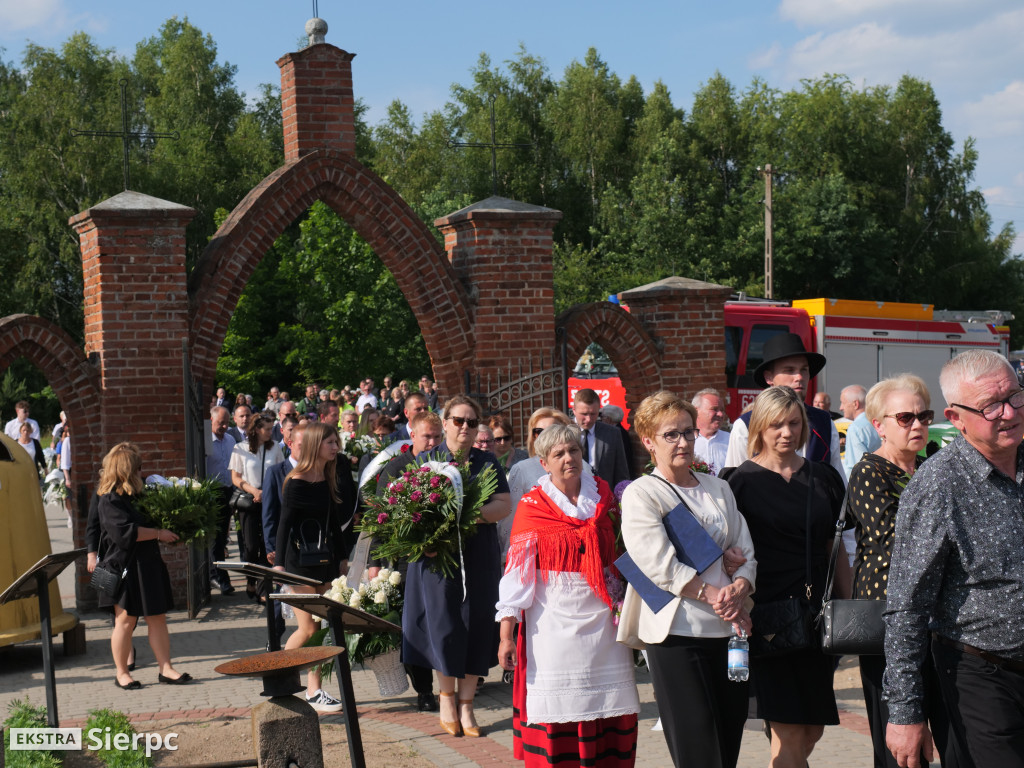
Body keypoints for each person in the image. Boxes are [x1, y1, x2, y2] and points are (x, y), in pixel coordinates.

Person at [885, 350, 1024, 767]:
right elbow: (907, 606)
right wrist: (905, 713)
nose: (1008, 412)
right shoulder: (939, 486)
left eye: (1014, 396)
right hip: (981, 676)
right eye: (989, 406)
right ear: (956, 417)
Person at [617, 391, 756, 767]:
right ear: (648, 441)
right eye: (671, 435)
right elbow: (656, 562)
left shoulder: (719, 488)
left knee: (728, 743)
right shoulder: (643, 493)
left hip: (727, 633)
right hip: (677, 634)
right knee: (698, 747)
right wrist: (715, 593)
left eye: (688, 432)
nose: (683, 442)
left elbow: (745, 549)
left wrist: (741, 585)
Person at [498, 423, 640, 766]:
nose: (568, 458)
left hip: (604, 617)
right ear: (544, 463)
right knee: (561, 710)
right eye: (558, 454)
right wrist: (506, 635)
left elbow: (625, 551)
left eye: (573, 450)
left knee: (607, 708)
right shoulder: (533, 507)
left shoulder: (604, 495)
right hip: (552, 623)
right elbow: (517, 577)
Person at [723, 385, 848, 766]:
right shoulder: (736, 482)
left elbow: (835, 546)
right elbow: (726, 549)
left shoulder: (824, 477)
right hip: (767, 616)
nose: (786, 432)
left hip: (817, 616)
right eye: (776, 424)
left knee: (812, 729)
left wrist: (850, 606)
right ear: (759, 427)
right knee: (790, 730)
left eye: (794, 423)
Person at [847, 375, 960, 768]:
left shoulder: (932, 468)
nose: (918, 425)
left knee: (954, 735)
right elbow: (896, 542)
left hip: (940, 619)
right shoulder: (869, 472)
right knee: (900, 748)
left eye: (924, 416)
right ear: (878, 424)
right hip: (887, 621)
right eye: (906, 417)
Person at [403, 395, 511, 737]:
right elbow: (410, 509)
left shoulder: (487, 462)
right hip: (438, 558)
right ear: (445, 422)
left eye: (471, 422)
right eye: (458, 421)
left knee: (476, 626)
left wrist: (468, 516)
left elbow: (504, 504)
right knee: (444, 626)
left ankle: (468, 705)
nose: (465, 427)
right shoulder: (428, 460)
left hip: (478, 555)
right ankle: (446, 697)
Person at [95, 442, 190, 689]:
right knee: (125, 621)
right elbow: (124, 533)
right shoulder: (109, 499)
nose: (142, 472)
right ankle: (121, 673)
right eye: (138, 468)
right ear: (125, 470)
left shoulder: (142, 495)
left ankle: (166, 668)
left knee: (157, 617)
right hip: (122, 567)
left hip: (147, 563)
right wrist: (159, 533)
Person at [271, 422, 346, 713]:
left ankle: (306, 687)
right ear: (316, 445)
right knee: (309, 627)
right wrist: (278, 565)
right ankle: (285, 677)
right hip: (298, 563)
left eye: (336, 442)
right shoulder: (297, 480)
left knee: (320, 629)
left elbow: (333, 522)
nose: (335, 447)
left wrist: (342, 558)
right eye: (330, 442)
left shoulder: (326, 476)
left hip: (325, 561)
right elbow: (284, 524)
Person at [724, 332, 845, 482]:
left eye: (804, 370)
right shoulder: (745, 425)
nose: (799, 377)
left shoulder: (824, 422)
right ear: (769, 377)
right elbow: (734, 487)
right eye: (789, 370)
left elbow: (838, 483)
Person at [503, 408, 583, 563]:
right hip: (540, 557)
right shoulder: (522, 469)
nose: (547, 437)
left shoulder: (582, 466)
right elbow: (510, 522)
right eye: (538, 431)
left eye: (552, 430)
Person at [230, 413, 284, 603]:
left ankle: (264, 589)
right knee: (251, 546)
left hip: (269, 502)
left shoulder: (275, 447)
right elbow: (235, 477)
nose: (271, 432)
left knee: (266, 545)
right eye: (267, 429)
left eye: (271, 428)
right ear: (256, 429)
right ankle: (251, 580)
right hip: (249, 501)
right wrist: (253, 490)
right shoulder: (240, 449)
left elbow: (280, 472)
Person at [206, 406, 237, 594]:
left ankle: (217, 574)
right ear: (211, 420)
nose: (224, 426)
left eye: (227, 422)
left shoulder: (231, 440)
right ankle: (217, 576)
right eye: (220, 423)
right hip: (212, 493)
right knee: (215, 539)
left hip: (228, 492)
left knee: (221, 538)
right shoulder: (206, 442)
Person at [573, 389, 630, 489]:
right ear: (574, 410)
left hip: (604, 497)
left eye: (593, 414)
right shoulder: (564, 432)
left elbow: (621, 472)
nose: (589, 419)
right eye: (584, 414)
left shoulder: (612, 433)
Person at [840, 384, 882, 476]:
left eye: (843, 402)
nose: (841, 408)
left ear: (855, 404)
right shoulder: (878, 423)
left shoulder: (855, 428)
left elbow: (857, 465)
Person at [692, 388, 730, 473]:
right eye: (714, 409)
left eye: (722, 410)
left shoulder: (731, 440)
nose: (720, 414)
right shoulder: (685, 441)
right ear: (696, 411)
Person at [599, 405, 636, 479]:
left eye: (602, 417)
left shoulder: (618, 433)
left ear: (608, 419)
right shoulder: (619, 431)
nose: (601, 420)